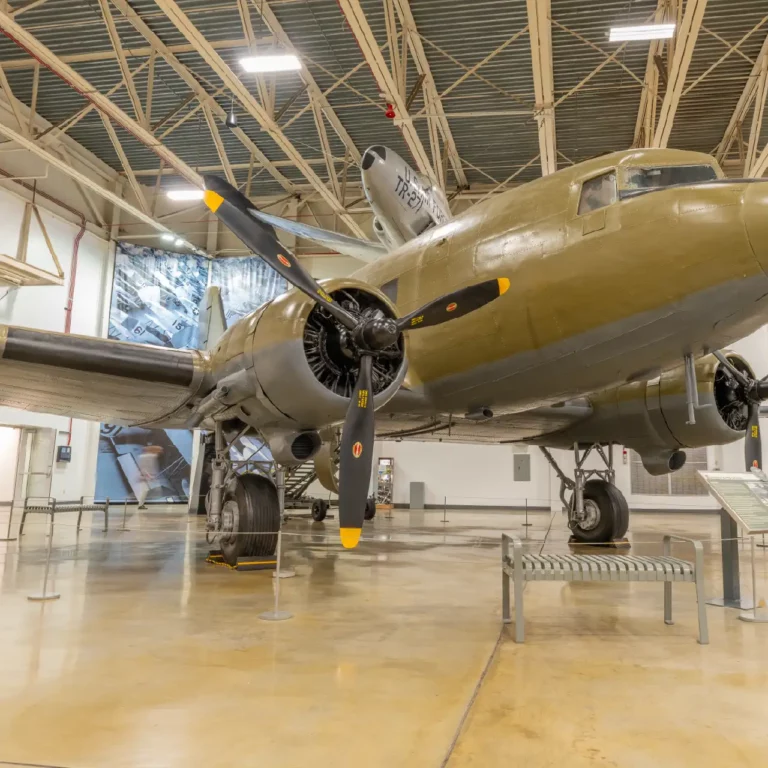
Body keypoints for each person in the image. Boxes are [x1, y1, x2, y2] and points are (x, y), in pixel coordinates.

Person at [136, 444, 164, 509]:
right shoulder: (149, 456)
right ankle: (140, 505)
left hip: (147, 477)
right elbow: (144, 468)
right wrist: (150, 476)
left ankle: (141, 505)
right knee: (145, 491)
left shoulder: (148, 456)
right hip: (145, 477)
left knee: (144, 491)